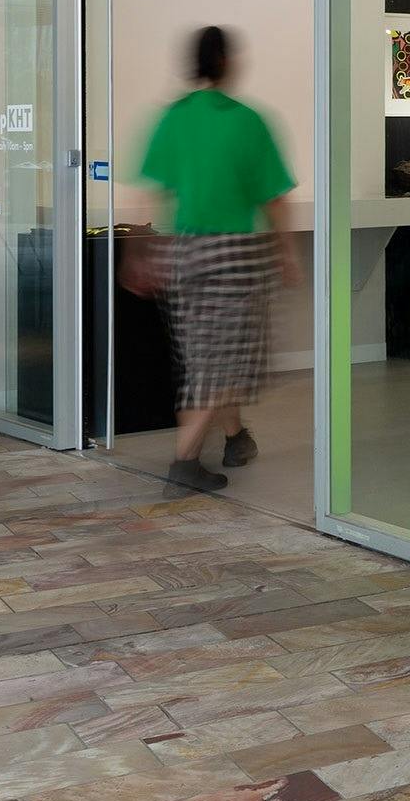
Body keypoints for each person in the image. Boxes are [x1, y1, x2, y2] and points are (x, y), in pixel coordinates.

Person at [127, 26, 297, 492]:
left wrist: (142, 253)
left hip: (185, 252)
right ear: (224, 62)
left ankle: (236, 438)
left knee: (209, 355)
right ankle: (184, 464)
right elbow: (274, 197)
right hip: (236, 256)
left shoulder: (174, 117)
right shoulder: (247, 120)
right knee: (220, 363)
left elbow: (151, 190)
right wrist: (287, 251)